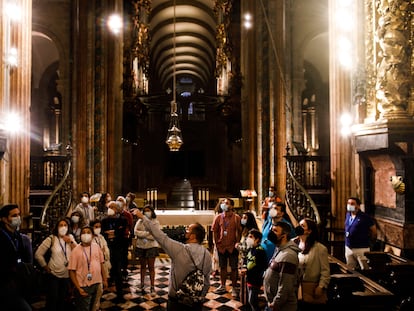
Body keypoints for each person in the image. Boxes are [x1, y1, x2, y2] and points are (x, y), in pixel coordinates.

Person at [132, 208, 211, 311]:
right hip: (196, 301)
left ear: (193, 236)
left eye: (188, 230)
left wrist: (143, 217)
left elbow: (160, 236)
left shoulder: (179, 250)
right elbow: (207, 282)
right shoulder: (207, 254)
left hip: (176, 300)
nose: (185, 231)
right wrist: (199, 297)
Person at [35, 218, 77, 311]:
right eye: (60, 225)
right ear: (57, 227)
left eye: (65, 225)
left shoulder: (70, 237)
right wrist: (45, 267)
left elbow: (78, 253)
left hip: (67, 274)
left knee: (63, 299)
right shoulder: (51, 238)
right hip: (53, 274)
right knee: (53, 298)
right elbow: (38, 254)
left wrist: (70, 242)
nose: (63, 227)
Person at [0, 204, 34, 311]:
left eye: (19, 215)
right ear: (5, 219)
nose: (18, 218)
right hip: (4, 283)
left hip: (18, 283)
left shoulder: (18, 236)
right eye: (14, 216)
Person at [263, 221, 301, 311]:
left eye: (275, 231)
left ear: (284, 236)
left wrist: (276, 303)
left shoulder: (288, 255)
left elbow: (286, 285)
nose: (271, 233)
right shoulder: (279, 248)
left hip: (282, 306)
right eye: (272, 230)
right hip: (273, 303)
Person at [68, 226, 108, 311]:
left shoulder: (96, 247)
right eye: (83, 232)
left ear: (92, 236)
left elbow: (101, 264)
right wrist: (78, 288)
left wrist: (104, 279)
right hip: (83, 286)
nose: (86, 234)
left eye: (88, 232)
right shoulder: (76, 250)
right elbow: (71, 271)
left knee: (95, 307)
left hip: (97, 283)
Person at [294, 218, 330, 309]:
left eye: (302, 226)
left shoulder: (320, 248)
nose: (299, 227)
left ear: (309, 231)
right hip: (294, 287)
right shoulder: (292, 243)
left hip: (310, 288)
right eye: (299, 225)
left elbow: (325, 271)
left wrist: (321, 287)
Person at [211, 198, 242, 297]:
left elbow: (239, 231)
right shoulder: (218, 217)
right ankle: (223, 285)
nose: (224, 205)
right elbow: (215, 231)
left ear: (232, 206)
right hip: (222, 246)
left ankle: (233, 287)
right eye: (223, 203)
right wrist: (217, 243)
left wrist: (238, 242)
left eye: (227, 203)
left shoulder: (236, 218)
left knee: (234, 268)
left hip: (232, 247)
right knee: (222, 267)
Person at [101, 200, 128, 302]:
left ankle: (120, 294)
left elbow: (121, 233)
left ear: (117, 209)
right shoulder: (104, 221)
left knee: (117, 271)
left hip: (117, 248)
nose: (110, 209)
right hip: (107, 248)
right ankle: (103, 292)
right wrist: (114, 232)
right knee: (105, 271)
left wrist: (113, 233)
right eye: (109, 207)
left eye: (112, 207)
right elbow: (103, 233)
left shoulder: (122, 220)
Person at [133, 204, 160, 296]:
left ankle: (152, 286)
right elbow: (135, 232)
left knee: (151, 267)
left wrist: (143, 234)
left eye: (148, 210)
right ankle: (142, 283)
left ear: (152, 211)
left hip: (151, 246)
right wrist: (147, 233)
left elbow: (154, 235)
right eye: (145, 211)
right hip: (141, 246)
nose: (147, 212)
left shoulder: (155, 222)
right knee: (143, 266)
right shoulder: (140, 221)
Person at [344, 197, 377, 270]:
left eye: (352, 204)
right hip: (349, 248)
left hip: (361, 248)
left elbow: (374, 231)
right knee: (350, 269)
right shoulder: (348, 215)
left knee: (365, 268)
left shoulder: (365, 217)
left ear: (358, 206)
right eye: (348, 203)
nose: (349, 205)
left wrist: (371, 242)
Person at [241, 229, 267, 311]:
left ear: (257, 239)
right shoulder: (251, 248)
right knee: (250, 299)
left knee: (252, 300)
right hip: (250, 278)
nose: (248, 239)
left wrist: (247, 271)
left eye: (251, 237)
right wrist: (244, 267)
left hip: (256, 279)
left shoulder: (260, 251)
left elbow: (261, 266)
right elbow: (247, 259)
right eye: (248, 236)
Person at [90, 219, 111, 311]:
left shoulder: (101, 237)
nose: (98, 228)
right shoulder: (89, 238)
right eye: (96, 227)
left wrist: (104, 252)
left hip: (103, 264)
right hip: (93, 266)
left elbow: (106, 249)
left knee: (100, 289)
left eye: (99, 227)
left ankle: (96, 306)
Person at [116, 195, 134, 280]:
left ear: (124, 204)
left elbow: (130, 225)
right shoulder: (114, 213)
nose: (119, 202)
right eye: (118, 200)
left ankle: (124, 271)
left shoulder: (127, 214)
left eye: (121, 201)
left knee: (124, 255)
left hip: (124, 237)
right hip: (116, 237)